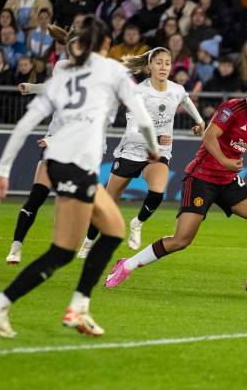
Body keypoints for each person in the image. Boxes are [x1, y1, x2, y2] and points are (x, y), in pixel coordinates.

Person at [0, 15, 159, 338]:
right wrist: (154, 148)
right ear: (105, 44)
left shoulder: (64, 75)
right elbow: (143, 118)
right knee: (93, 238)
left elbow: (27, 120)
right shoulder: (111, 71)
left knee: (89, 239)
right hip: (75, 165)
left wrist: (3, 170)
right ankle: (59, 307)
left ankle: (46, 307)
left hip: (60, 162)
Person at [103, 70, 247, 294]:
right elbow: (209, 137)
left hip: (228, 181)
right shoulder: (231, 109)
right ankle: (127, 265)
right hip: (202, 178)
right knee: (181, 240)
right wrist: (224, 161)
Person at [78, 47, 205, 256]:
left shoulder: (177, 90)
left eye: (167, 62)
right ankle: (89, 240)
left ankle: (137, 223)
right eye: (159, 62)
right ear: (149, 66)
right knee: (109, 202)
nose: (163, 66)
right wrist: (155, 138)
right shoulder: (139, 92)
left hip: (158, 153)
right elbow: (132, 133)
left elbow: (186, 100)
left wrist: (200, 121)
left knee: (157, 191)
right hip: (131, 152)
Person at [5, 25, 75, 264]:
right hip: (54, 140)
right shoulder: (62, 67)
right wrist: (32, 88)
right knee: (37, 196)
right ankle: (15, 247)